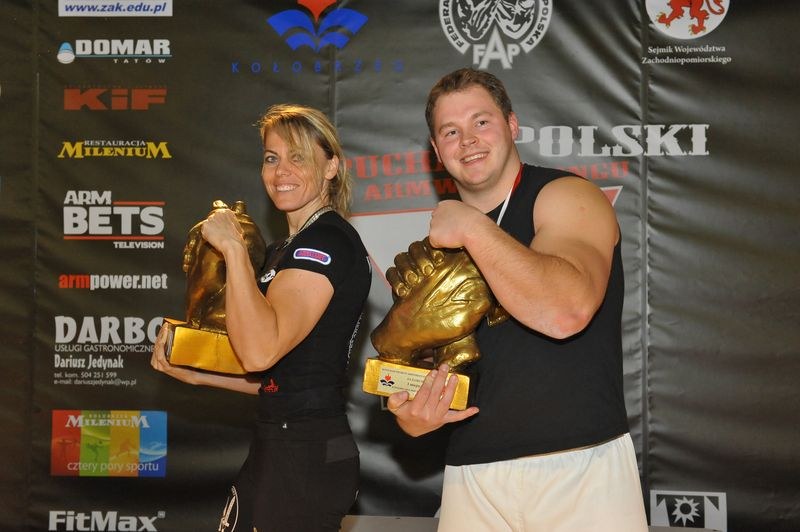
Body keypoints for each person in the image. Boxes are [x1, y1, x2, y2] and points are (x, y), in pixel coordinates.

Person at [384, 68, 648, 531]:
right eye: (450, 131)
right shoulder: (435, 252)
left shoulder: (568, 197)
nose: (467, 140)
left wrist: (472, 226)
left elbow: (565, 311)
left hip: (580, 468)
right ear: (436, 151)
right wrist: (411, 413)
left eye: (481, 122)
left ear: (512, 124)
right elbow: (418, 383)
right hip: (471, 476)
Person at [151, 104, 371, 532]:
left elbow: (259, 353)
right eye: (272, 157)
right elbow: (278, 378)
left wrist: (233, 248)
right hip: (282, 442)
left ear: (331, 167)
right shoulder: (283, 249)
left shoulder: (326, 241)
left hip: (304, 452)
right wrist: (198, 375)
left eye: (298, 157)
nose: (281, 171)